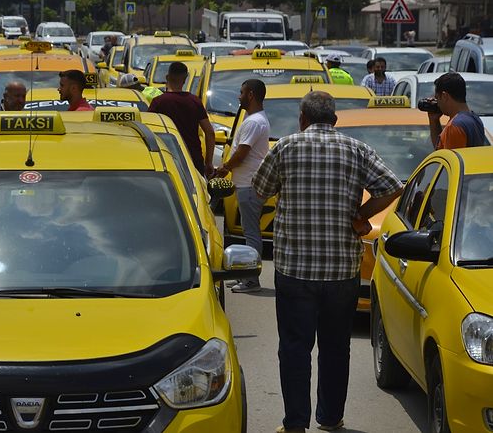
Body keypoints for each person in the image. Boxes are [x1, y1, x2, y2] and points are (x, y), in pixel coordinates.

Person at [251, 91, 403, 433]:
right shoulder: (356, 149)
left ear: (303, 118)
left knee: (294, 348)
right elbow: (393, 187)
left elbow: (260, 191)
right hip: (341, 271)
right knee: (336, 348)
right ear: (334, 120)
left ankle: (295, 424)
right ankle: (331, 418)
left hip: (295, 271)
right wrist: (361, 214)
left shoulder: (286, 147)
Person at [214, 79, 269, 293]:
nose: (239, 97)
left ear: (251, 95)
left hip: (249, 184)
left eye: (242, 92)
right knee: (249, 232)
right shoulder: (253, 119)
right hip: (246, 183)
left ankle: (251, 280)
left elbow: (242, 152)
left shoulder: (254, 122)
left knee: (251, 233)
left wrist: (225, 167)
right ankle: (246, 276)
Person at [148, 61, 215, 177]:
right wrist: (208, 162)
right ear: (185, 79)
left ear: (167, 77)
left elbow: (148, 129)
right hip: (192, 158)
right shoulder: (195, 101)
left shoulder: (158, 102)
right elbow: (210, 132)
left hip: (166, 157)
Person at [425, 72, 489, 149]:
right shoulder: (476, 119)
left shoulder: (455, 126)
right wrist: (434, 120)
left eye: (437, 98)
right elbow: (440, 150)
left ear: (445, 96)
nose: (437, 103)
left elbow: (448, 159)